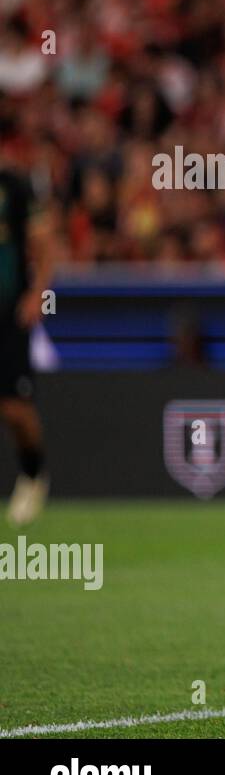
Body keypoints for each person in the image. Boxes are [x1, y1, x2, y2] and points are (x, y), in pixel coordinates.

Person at [0, 160, 51, 527]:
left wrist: (37, 294)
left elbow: (44, 243)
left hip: (9, 315)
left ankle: (34, 474)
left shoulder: (14, 185)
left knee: (15, 410)